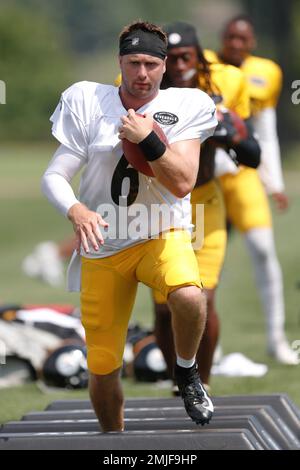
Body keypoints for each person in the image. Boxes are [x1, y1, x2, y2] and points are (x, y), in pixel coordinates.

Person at [41, 21, 218, 431]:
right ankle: (113, 442)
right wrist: (76, 211)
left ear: (164, 66)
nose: (142, 73)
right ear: (120, 63)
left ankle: (188, 372)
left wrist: (148, 138)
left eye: (151, 64)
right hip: (104, 243)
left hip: (161, 232)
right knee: (103, 371)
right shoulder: (87, 100)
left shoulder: (188, 104)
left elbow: (183, 181)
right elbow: (54, 175)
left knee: (191, 297)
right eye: (133, 62)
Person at [152, 21, 261, 389]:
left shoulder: (226, 82)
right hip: (161, 203)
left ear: (199, 57)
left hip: (204, 201)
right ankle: (176, 382)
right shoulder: (146, 86)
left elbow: (251, 152)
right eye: (173, 59)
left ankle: (204, 383)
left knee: (202, 299)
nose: (180, 66)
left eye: (187, 57)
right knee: (165, 305)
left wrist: (226, 130)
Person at [204, 15, 299, 365]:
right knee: (211, 260)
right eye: (230, 37)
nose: (236, 44)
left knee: (262, 249)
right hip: (209, 175)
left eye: (242, 38)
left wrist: (273, 182)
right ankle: (210, 346)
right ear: (222, 38)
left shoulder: (267, 72)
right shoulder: (206, 66)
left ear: (253, 41)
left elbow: (266, 130)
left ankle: (276, 338)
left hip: (244, 173)